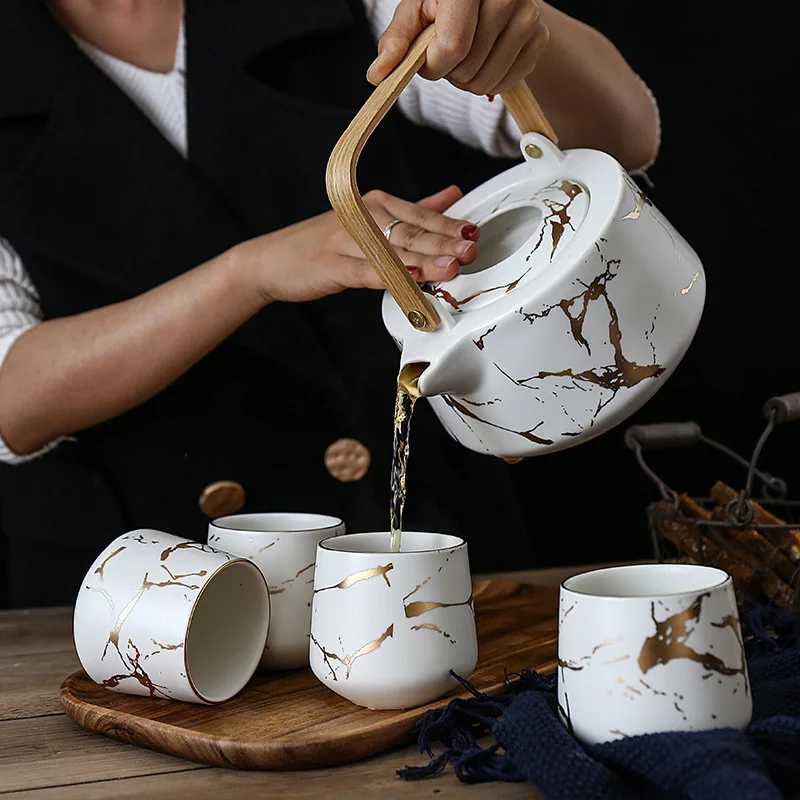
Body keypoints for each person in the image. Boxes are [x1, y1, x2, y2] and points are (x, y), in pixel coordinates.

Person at [0, 0, 659, 607]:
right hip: (154, 596)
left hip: (421, 540)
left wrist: (511, 20)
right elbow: (13, 397)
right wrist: (250, 272)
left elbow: (623, 134)